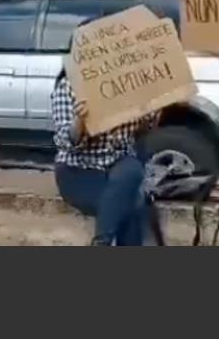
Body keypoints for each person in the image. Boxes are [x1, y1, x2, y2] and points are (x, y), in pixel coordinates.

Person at [51, 26, 159, 246]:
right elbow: (66, 142)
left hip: (120, 165)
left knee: (131, 170)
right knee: (132, 205)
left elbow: (144, 129)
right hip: (79, 170)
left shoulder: (130, 83)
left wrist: (151, 110)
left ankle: (101, 242)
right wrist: (81, 122)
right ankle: (103, 241)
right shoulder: (67, 86)